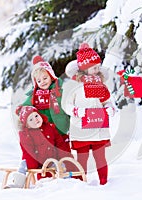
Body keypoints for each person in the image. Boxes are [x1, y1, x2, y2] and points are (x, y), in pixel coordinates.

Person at [61, 43, 115, 185]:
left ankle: (104, 182)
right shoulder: (75, 85)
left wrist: (109, 108)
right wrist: (77, 111)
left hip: (98, 127)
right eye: (94, 67)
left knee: (100, 156)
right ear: (84, 68)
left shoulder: (101, 85)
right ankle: (81, 182)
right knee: (82, 157)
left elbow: (107, 101)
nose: (98, 70)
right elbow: (66, 104)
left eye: (98, 66)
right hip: (81, 127)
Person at [10, 106, 75, 188]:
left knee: (61, 165)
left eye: (36, 116)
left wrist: (63, 155)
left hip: (52, 159)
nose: (35, 119)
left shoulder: (50, 127)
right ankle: (18, 183)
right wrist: (32, 164)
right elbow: (27, 151)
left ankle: (66, 181)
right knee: (23, 164)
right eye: (31, 119)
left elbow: (59, 143)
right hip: (35, 160)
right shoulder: (26, 134)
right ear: (27, 125)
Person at [22, 56, 70, 145]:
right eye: (39, 81)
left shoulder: (59, 92)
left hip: (61, 128)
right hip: (46, 131)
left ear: (51, 76)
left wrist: (71, 122)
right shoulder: (34, 96)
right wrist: (22, 110)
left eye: (45, 78)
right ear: (36, 83)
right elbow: (24, 107)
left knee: (64, 149)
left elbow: (68, 105)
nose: (43, 82)